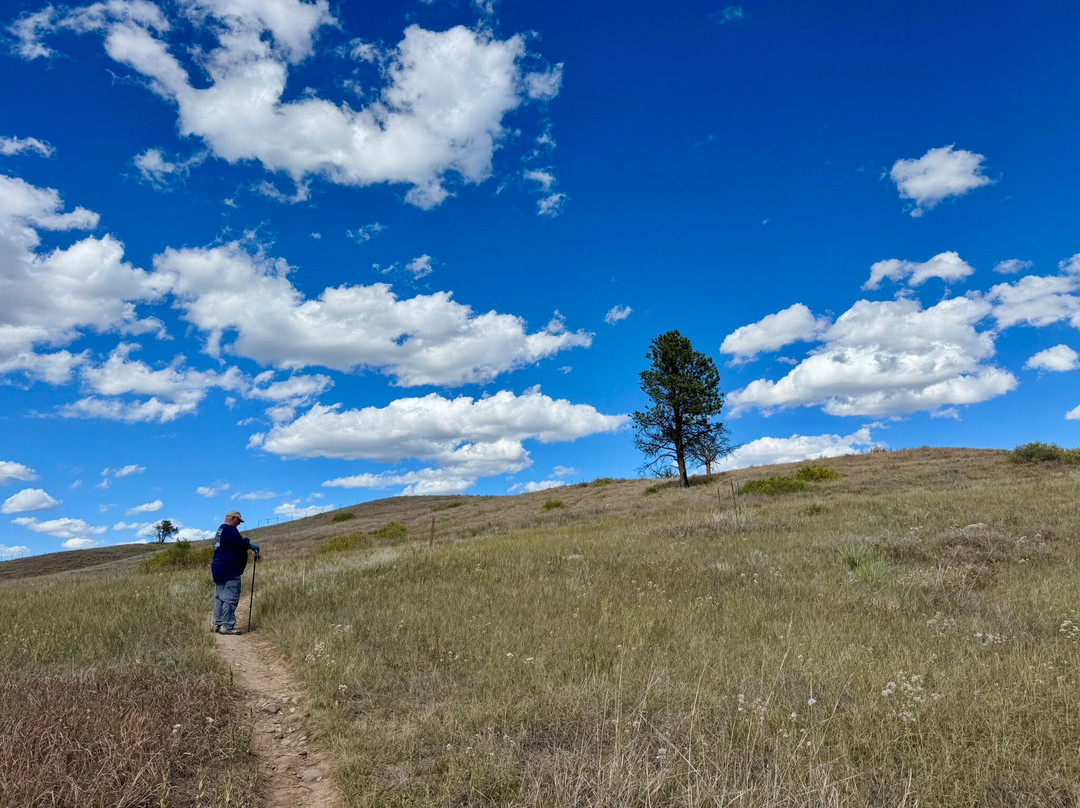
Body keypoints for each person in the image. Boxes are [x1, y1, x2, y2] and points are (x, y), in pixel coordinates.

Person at [211, 510, 259, 635]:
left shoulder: (221, 530)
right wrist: (248, 542)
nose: (238, 524)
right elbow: (239, 544)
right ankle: (227, 626)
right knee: (230, 598)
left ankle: (217, 623)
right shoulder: (230, 530)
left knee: (220, 597)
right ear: (233, 518)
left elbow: (233, 545)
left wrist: (246, 545)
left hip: (219, 568)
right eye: (238, 520)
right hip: (230, 569)